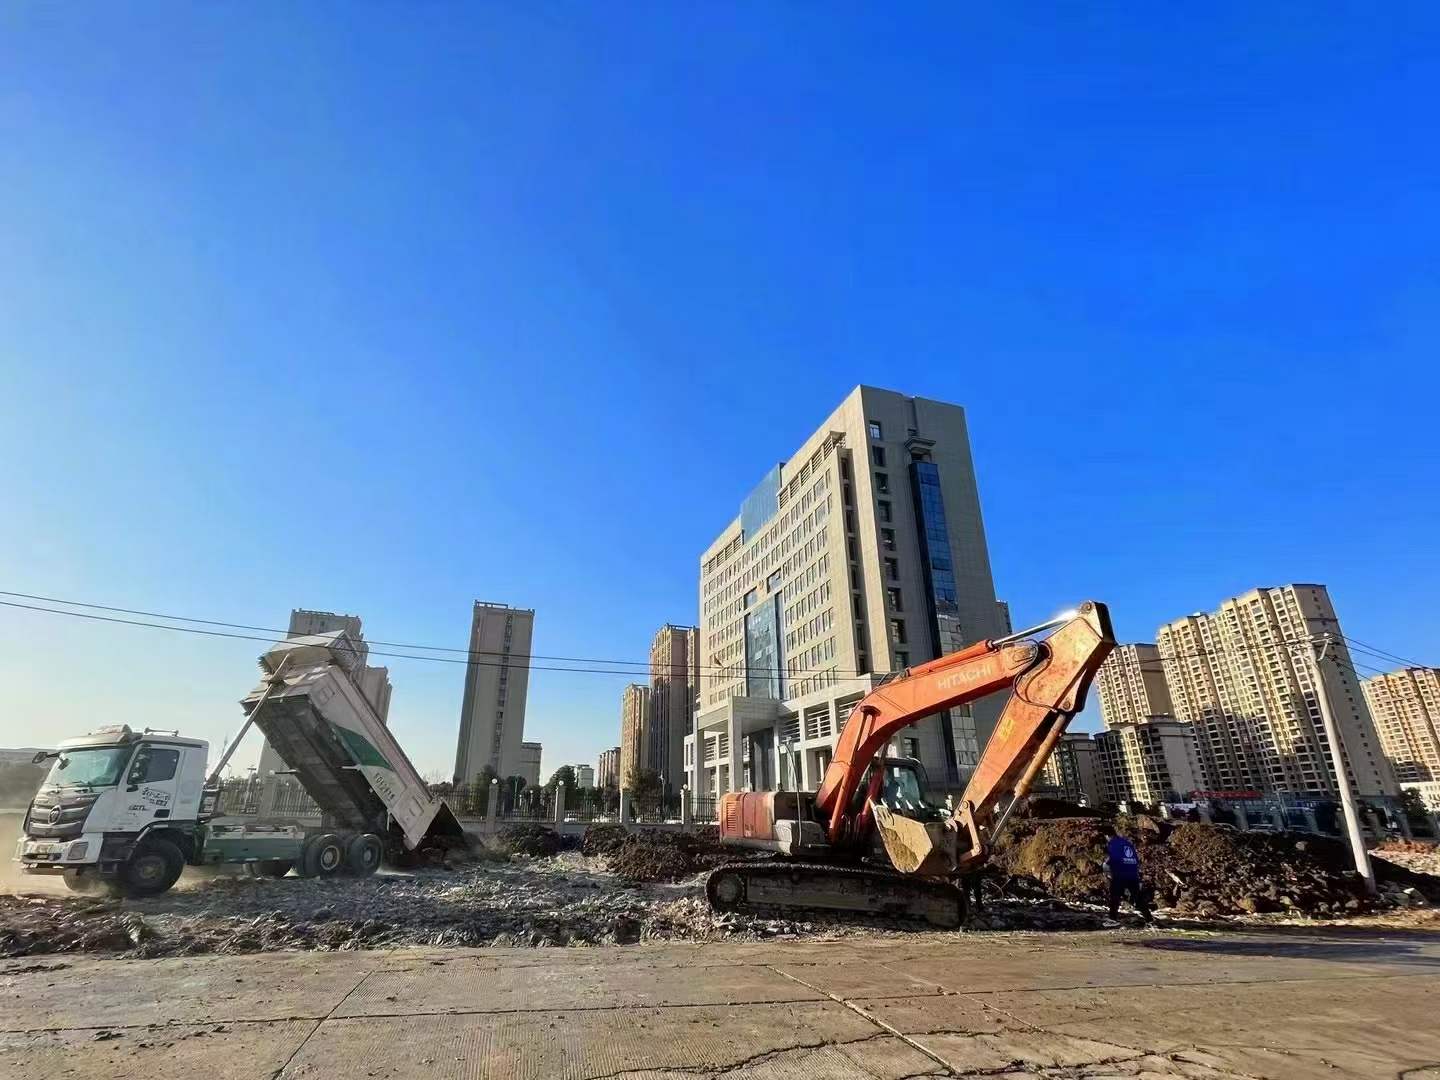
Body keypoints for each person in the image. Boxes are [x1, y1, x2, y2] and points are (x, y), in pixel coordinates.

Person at [1103, 822, 1153, 924]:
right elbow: (1135, 859)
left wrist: (1107, 868)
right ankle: (1149, 919)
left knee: (1115, 897)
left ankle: (1112, 919)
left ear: (1107, 835)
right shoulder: (1127, 843)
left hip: (1120, 875)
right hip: (1133, 874)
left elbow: (1113, 859)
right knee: (1137, 897)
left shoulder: (1113, 843)